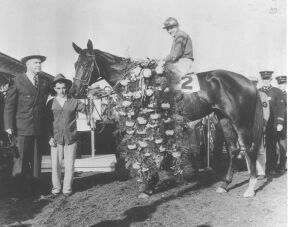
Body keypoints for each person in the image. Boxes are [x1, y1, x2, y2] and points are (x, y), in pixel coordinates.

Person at [4, 52, 51, 198]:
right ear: (27, 65)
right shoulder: (17, 80)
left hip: (38, 127)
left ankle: (35, 190)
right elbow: (9, 105)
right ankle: (18, 193)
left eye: (39, 62)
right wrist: (8, 125)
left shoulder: (44, 82)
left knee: (37, 161)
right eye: (35, 63)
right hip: (22, 127)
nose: (38, 65)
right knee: (21, 160)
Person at [47, 74, 87, 197]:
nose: (61, 90)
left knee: (70, 164)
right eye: (58, 88)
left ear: (67, 88)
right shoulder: (50, 103)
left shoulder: (74, 101)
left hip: (71, 137)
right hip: (56, 138)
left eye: (64, 88)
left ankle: (67, 189)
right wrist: (49, 137)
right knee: (56, 165)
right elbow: (46, 121)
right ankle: (56, 188)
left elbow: (87, 109)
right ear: (54, 89)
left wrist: (90, 100)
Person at [258, 71, 285, 175]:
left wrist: (280, 123)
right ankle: (260, 169)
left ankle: (271, 167)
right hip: (261, 123)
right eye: (264, 79)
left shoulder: (277, 91)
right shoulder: (258, 91)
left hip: (272, 124)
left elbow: (281, 108)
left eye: (267, 79)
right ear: (262, 80)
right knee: (260, 147)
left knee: (271, 146)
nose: (265, 81)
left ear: (270, 80)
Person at [250, 76, 270, 179]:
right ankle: (252, 171)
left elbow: (266, 111)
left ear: (256, 84)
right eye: (250, 83)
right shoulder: (244, 96)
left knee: (260, 148)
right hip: (247, 126)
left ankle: (261, 172)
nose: (252, 85)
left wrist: (264, 124)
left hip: (258, 124)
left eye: (254, 83)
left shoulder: (262, 95)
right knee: (248, 148)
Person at [275, 75, 287, 173]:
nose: (281, 86)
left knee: (283, 142)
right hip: (279, 121)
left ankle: (282, 165)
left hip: (285, 121)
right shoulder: (277, 94)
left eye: (283, 84)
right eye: (279, 84)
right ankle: (279, 164)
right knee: (278, 144)